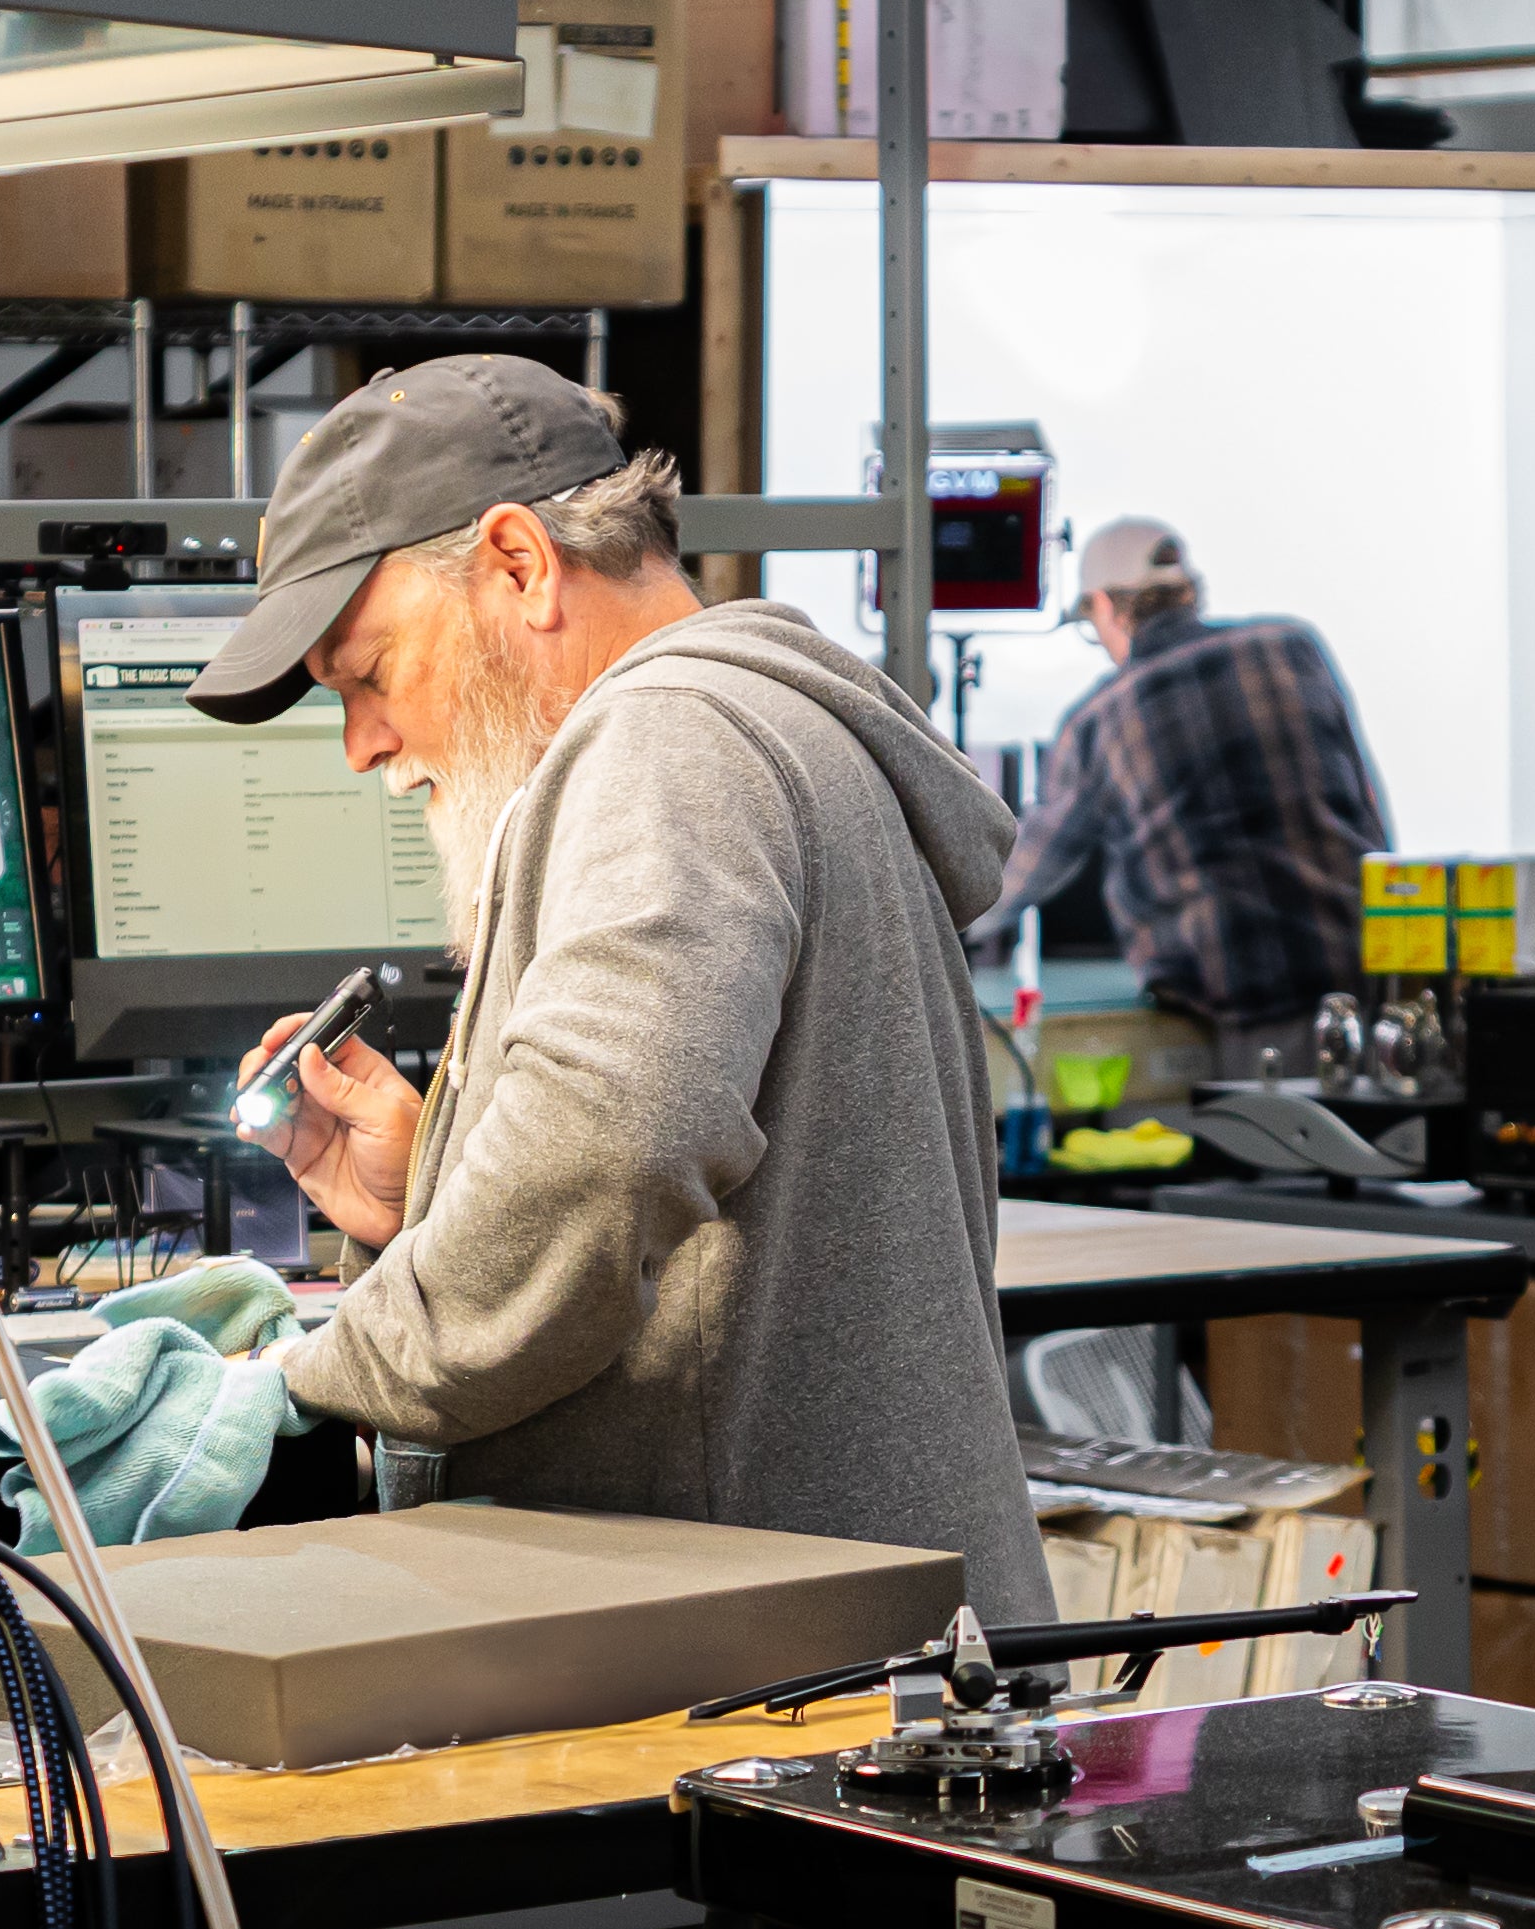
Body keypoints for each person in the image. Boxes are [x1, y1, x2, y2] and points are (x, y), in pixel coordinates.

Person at [186, 353, 1052, 1619]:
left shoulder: (665, 741)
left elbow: (611, 1151)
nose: (364, 742)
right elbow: (707, 1200)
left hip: (781, 1681)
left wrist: (300, 1381)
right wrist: (429, 1187)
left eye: (368, 673)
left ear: (520, 565)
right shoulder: (759, 726)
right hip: (841, 1644)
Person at [988, 517, 1389, 1077]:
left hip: (1246, 1010)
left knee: (1274, 1152)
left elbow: (1022, 874)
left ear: (1104, 605)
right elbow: (1368, 813)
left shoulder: (1101, 720)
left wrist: (940, 914)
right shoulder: (1294, 648)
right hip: (1364, 985)